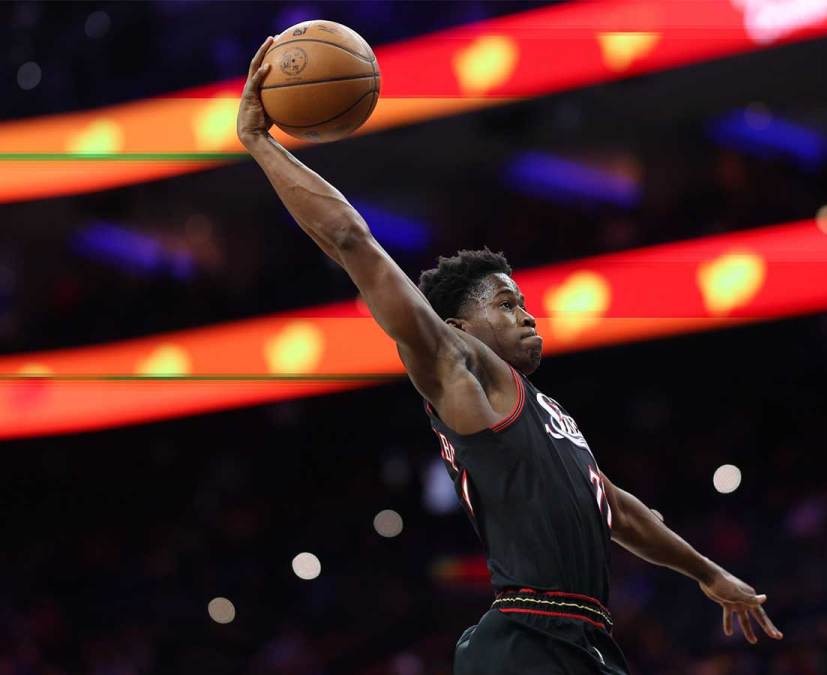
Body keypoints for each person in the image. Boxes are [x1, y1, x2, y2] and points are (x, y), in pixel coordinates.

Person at [237, 35, 782, 674]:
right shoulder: (457, 367)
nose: (525, 312)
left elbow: (617, 508)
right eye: (504, 303)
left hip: (582, 640)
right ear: (459, 326)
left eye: (522, 300)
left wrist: (708, 573)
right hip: (527, 636)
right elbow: (352, 241)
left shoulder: (547, 414)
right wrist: (260, 142)